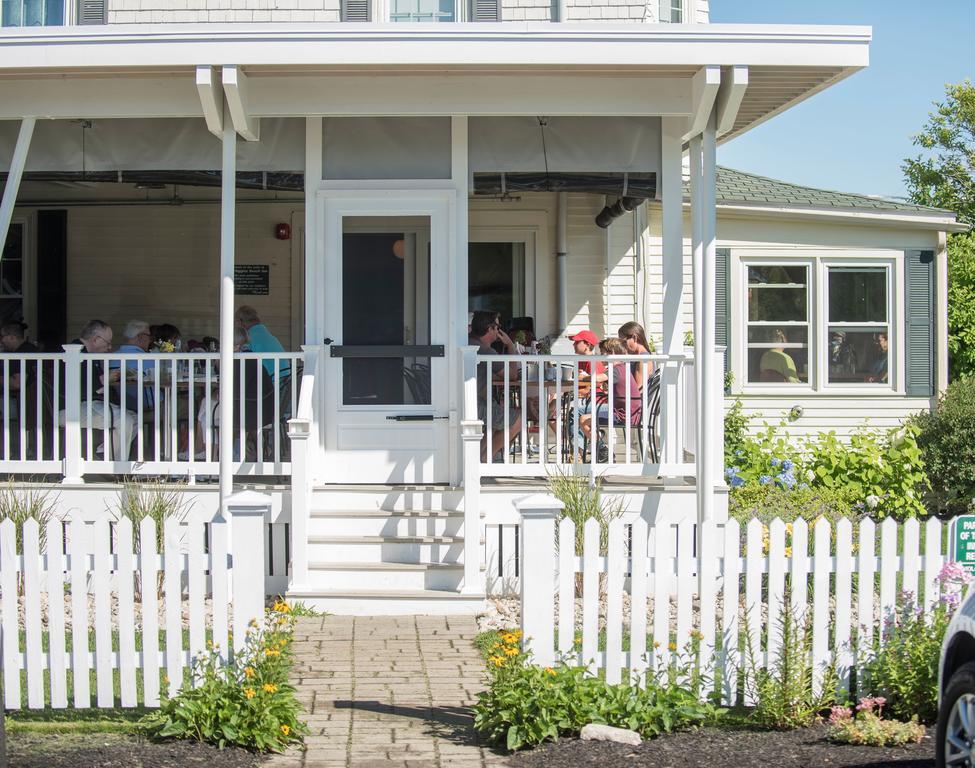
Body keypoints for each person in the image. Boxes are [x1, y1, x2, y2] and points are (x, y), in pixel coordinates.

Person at [61, 320, 137, 461]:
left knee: (134, 418)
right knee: (124, 419)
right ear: (95, 339)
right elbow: (79, 387)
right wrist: (103, 379)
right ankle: (116, 466)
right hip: (70, 407)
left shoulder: (90, 355)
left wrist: (108, 377)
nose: (109, 347)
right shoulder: (74, 353)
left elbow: (94, 385)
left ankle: (105, 455)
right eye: (107, 343)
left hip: (88, 404)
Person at [197, 325, 275, 460]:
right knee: (207, 406)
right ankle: (213, 452)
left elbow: (227, 393)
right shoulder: (251, 358)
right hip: (262, 410)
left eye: (223, 344)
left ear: (235, 346)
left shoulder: (237, 362)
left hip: (244, 412)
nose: (221, 348)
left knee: (206, 410)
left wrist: (219, 364)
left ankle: (210, 454)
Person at [469, 310, 521, 462]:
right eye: (497, 327)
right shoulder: (486, 350)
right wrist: (511, 346)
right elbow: (513, 376)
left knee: (495, 408)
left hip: (461, 401)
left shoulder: (467, 342)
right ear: (489, 328)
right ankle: (486, 457)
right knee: (518, 418)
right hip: (472, 406)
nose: (499, 331)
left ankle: (479, 457)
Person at [578, 337, 642, 460]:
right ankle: (595, 444)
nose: (600, 355)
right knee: (579, 411)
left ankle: (601, 450)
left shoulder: (616, 370)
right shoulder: (622, 368)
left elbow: (597, 378)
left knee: (581, 416)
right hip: (625, 410)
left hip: (622, 414)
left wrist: (583, 377)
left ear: (612, 353)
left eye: (602, 353)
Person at [235, 305, 290, 379]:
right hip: (285, 384)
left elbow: (239, 366)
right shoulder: (271, 337)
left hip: (270, 385)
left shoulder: (247, 339)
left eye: (236, 321)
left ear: (240, 322)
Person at [617, 321, 654, 391]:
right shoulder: (636, 356)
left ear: (634, 337)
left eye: (623, 341)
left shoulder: (643, 359)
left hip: (635, 401)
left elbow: (637, 389)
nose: (622, 345)